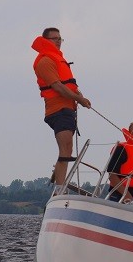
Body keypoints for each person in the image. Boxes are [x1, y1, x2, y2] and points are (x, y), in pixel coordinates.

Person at [32, 27, 91, 189]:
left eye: (60, 39)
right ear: (45, 41)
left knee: (67, 148)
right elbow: (58, 87)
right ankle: (59, 188)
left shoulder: (58, 59)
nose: (58, 41)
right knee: (65, 148)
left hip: (67, 108)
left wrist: (78, 95)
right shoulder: (45, 61)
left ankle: (59, 179)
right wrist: (79, 99)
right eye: (55, 38)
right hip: (57, 110)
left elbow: (68, 84)